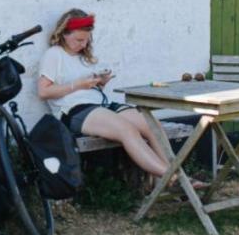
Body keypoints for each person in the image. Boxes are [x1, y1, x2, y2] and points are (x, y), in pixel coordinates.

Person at [36, 9, 174, 179]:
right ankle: (172, 177)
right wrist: (77, 85)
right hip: (74, 110)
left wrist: (100, 83)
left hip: (100, 105)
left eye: (87, 40)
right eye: (79, 40)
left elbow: (87, 91)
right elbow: (43, 92)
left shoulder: (83, 56)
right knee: (127, 130)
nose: (83, 45)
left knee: (151, 124)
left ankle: (177, 173)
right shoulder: (54, 55)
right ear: (64, 33)